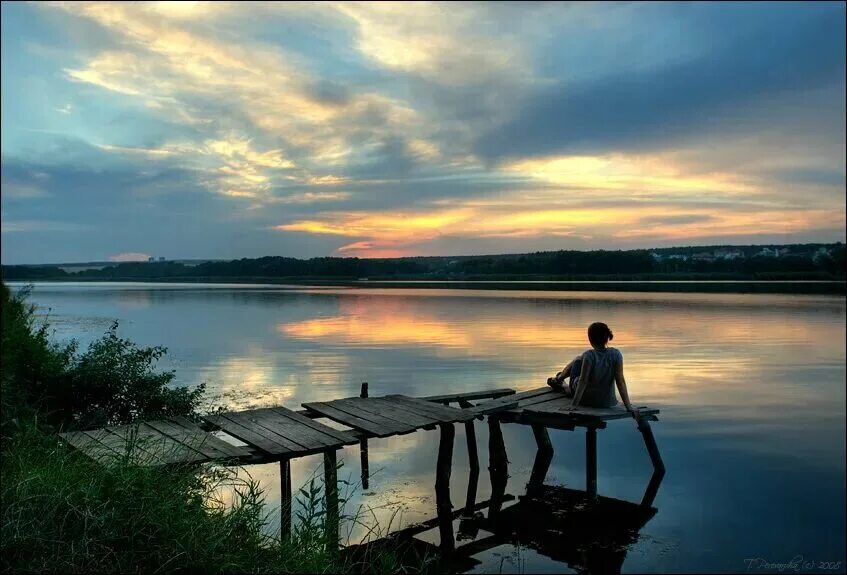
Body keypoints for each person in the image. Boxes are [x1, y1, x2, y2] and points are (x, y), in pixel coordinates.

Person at [547, 322, 640, 420]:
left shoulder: (589, 355)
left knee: (578, 360)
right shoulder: (616, 354)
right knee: (579, 364)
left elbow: (583, 381)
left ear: (590, 339)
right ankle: (561, 383)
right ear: (606, 338)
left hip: (586, 401)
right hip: (607, 403)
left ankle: (559, 380)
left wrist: (574, 405)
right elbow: (620, 381)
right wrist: (628, 406)